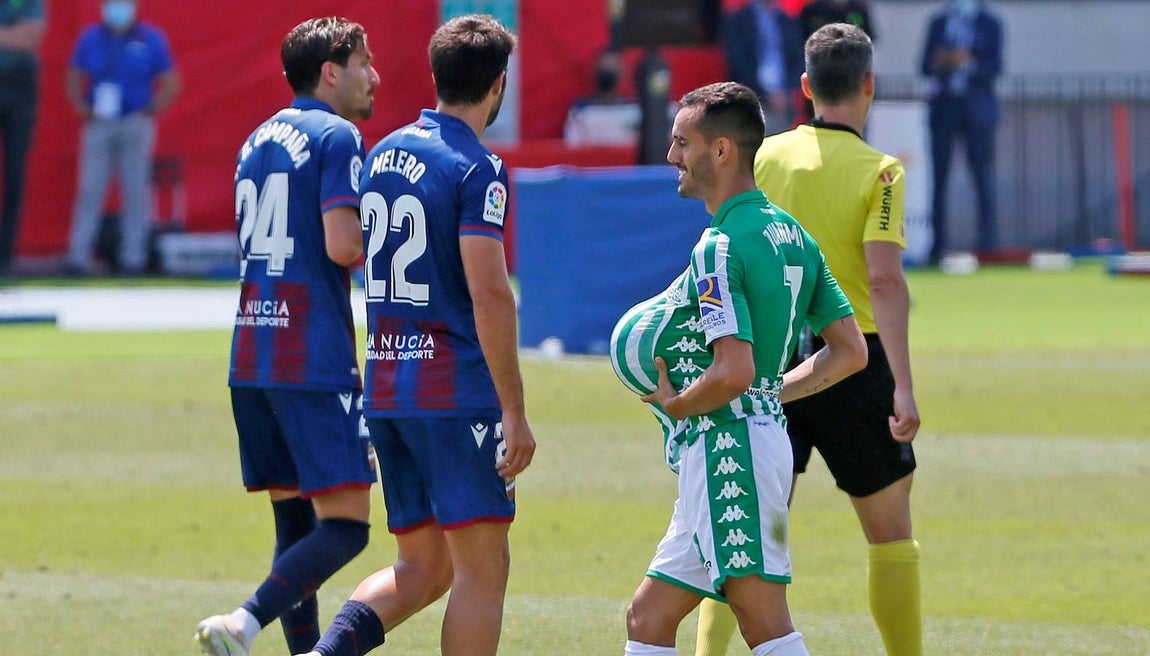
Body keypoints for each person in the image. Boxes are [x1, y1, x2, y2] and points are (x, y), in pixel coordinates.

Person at [299, 13, 537, 656]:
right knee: (482, 570)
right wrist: (514, 411)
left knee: (422, 567)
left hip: (389, 388)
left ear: (436, 76)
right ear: (499, 85)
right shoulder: (476, 167)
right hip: (452, 390)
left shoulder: (381, 155)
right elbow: (489, 291)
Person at [611, 80, 868, 656]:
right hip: (749, 438)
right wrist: (771, 396)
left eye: (682, 143)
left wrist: (677, 405)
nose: (671, 155)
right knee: (648, 616)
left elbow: (732, 371)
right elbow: (851, 350)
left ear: (721, 150)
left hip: (730, 449)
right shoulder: (794, 235)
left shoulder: (718, 245)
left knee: (762, 619)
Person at [695, 23, 924, 656]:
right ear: (869, 85)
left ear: (805, 87)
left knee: (743, 539)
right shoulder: (880, 172)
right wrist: (901, 385)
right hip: (856, 358)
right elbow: (883, 281)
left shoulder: (763, 155)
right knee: (889, 536)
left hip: (770, 355)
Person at [193, 16, 380, 656]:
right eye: (364, 63)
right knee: (348, 526)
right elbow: (342, 244)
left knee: (295, 522)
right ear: (331, 70)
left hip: (251, 349)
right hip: (311, 353)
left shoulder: (256, 138)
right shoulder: (339, 134)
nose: (374, 75)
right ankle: (244, 622)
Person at [63, 0, 179, 276]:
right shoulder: (91, 37)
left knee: (136, 191)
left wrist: (150, 109)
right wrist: (82, 108)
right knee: (91, 188)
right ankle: (78, 257)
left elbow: (171, 81)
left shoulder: (149, 38)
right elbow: (72, 75)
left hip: (134, 121)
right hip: (99, 122)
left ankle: (133, 259)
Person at [919, 0, 1004, 264]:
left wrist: (967, 62)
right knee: (939, 177)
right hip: (944, 108)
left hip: (977, 112)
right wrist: (942, 61)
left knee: (982, 176)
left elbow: (995, 66)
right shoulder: (938, 22)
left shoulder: (990, 23)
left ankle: (988, 245)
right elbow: (923, 65)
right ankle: (937, 245)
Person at [0, 0, 45, 278]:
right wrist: (13, 35)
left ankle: (4, 257)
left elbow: (32, 36)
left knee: (15, 177)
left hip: (20, 86)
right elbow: (21, 36)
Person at [720, 0, 804, 136]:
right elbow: (738, 63)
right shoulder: (738, 19)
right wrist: (765, 94)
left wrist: (786, 92)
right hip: (748, 99)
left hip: (783, 102)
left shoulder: (787, 20)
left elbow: (798, 59)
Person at [564, 46, 641, 146]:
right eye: (605, 66)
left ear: (623, 72)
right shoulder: (580, 112)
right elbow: (573, 147)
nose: (608, 71)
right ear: (594, 70)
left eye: (613, 67)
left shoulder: (635, 110)